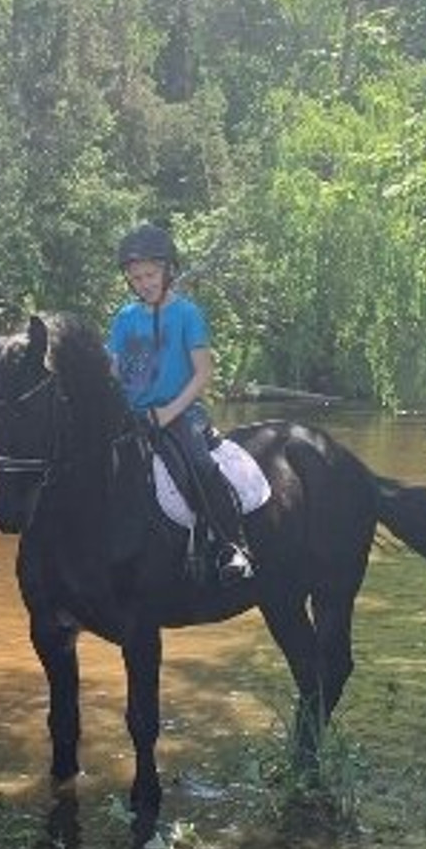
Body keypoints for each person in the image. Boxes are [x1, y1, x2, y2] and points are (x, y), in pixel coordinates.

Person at [108, 222, 253, 583]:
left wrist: (170, 411)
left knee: (200, 465)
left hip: (181, 413)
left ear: (167, 271)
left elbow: (204, 373)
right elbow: (113, 368)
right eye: (137, 277)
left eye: (150, 274)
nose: (144, 283)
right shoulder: (125, 318)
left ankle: (229, 544)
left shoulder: (187, 314)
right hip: (134, 414)